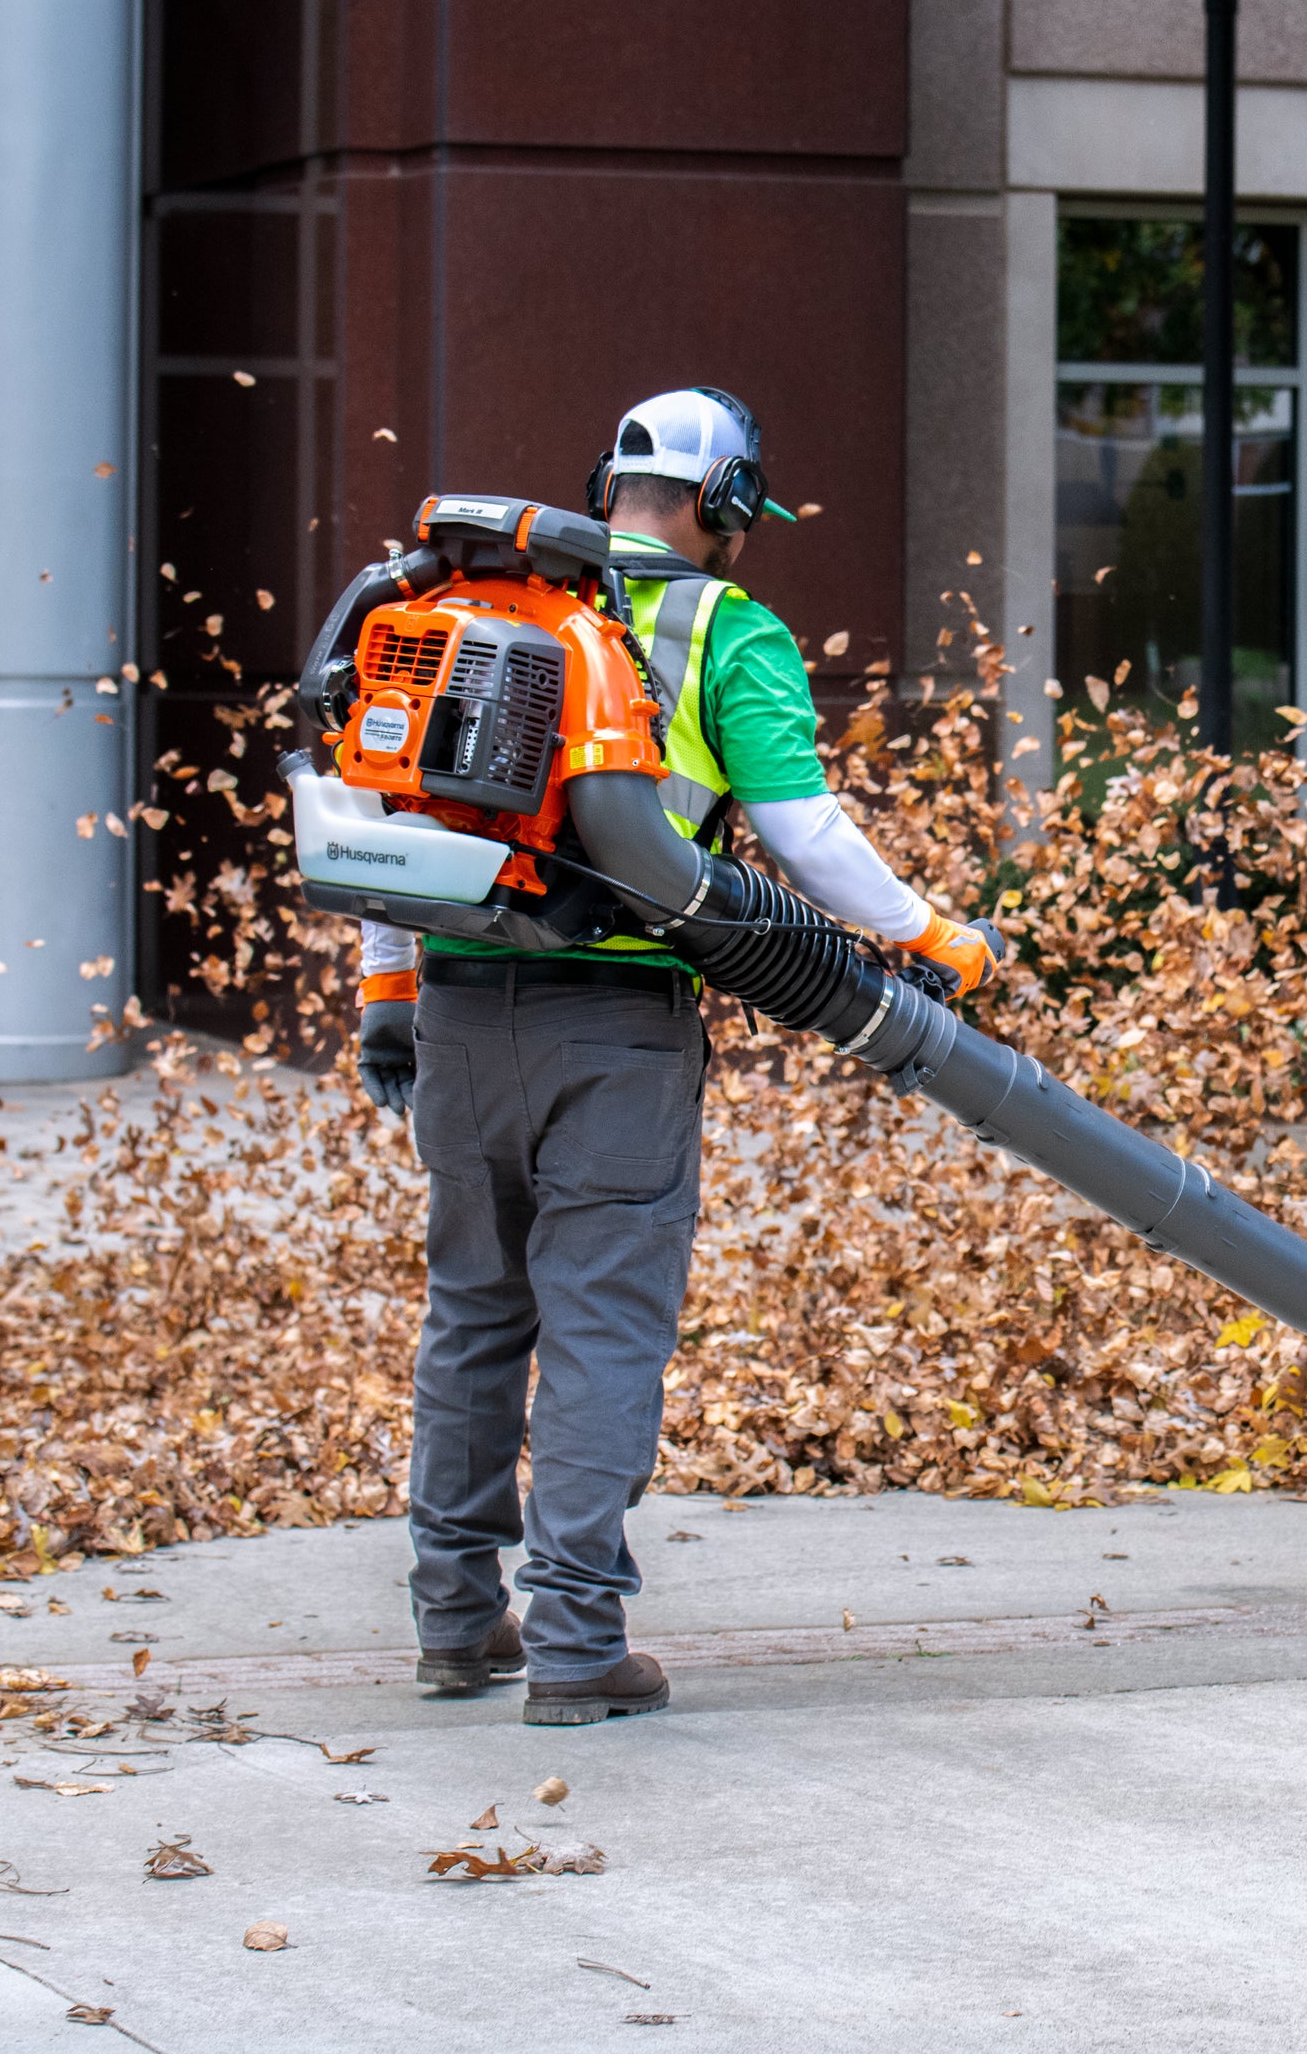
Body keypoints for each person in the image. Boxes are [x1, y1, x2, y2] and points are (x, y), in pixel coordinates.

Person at [348, 386, 1001, 1728]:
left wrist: (389, 990)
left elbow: (382, 800)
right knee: (599, 1327)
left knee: (474, 1310)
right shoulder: (723, 628)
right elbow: (801, 830)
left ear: (609, 483)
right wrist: (932, 933)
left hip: (463, 1003)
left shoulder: (482, 603)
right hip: (621, 1025)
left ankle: (456, 1622)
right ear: (729, 504)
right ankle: (581, 1645)